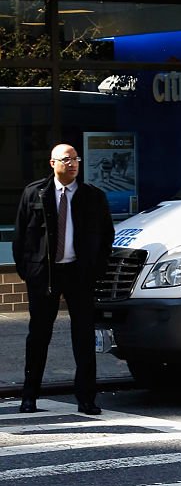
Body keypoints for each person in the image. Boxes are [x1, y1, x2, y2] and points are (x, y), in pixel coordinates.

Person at [13, 144, 114, 415]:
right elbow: (21, 237)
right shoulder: (35, 193)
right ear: (52, 163)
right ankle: (29, 395)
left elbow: (107, 237)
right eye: (66, 160)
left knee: (83, 335)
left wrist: (96, 270)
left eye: (76, 159)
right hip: (44, 274)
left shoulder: (92, 196)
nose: (72, 164)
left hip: (79, 273)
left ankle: (86, 398)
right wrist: (29, 272)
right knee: (39, 335)